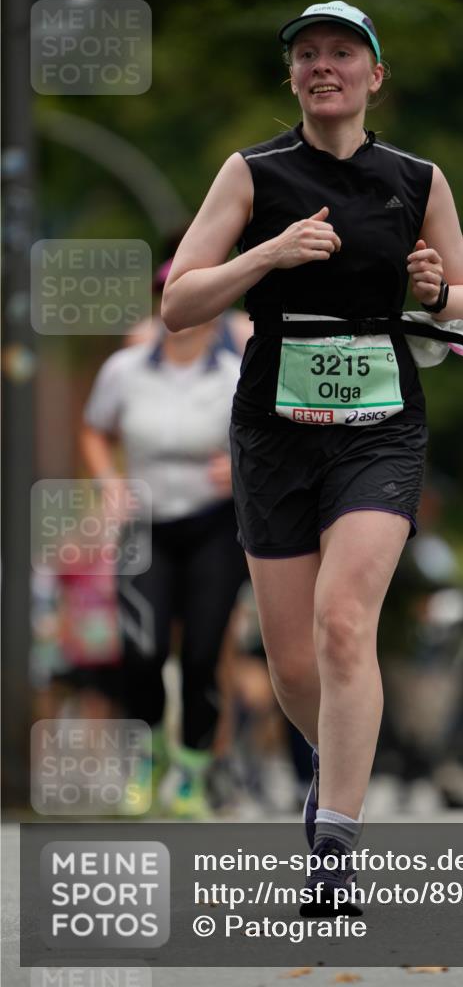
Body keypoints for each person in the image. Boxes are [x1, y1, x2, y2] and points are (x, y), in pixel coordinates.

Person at [161, 0, 463, 910]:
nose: (322, 66)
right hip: (272, 430)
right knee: (294, 664)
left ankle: (335, 847)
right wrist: (267, 252)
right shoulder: (251, 173)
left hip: (380, 425)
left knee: (347, 624)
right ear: (292, 77)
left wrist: (436, 290)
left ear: (374, 75)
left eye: (342, 52)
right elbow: (180, 304)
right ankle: (334, 775)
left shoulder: (415, 177)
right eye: (306, 54)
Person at [80, 261, 248, 818]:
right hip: (145, 526)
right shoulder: (125, 370)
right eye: (168, 298)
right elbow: (95, 429)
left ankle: (192, 775)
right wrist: (108, 483)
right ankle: (148, 756)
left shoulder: (234, 373)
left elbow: (272, 440)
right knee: (140, 648)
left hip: (213, 525)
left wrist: (241, 468)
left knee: (202, 652)